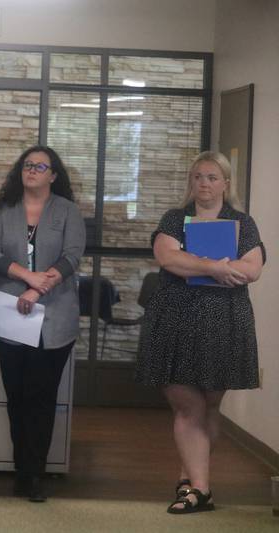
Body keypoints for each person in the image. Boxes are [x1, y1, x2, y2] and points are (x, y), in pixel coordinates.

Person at [135, 151, 265, 514]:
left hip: (224, 321)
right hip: (176, 320)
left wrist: (204, 267)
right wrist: (216, 268)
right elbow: (169, 258)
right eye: (197, 177)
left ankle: (190, 479)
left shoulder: (242, 222)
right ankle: (202, 491)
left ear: (226, 183)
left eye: (211, 177)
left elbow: (252, 268)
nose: (203, 184)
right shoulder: (175, 218)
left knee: (208, 405)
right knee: (186, 403)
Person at [0, 145, 85, 502]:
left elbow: (72, 255)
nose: (33, 171)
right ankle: (21, 469)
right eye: (28, 165)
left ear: (53, 175)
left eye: (41, 166)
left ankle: (36, 472)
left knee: (42, 396)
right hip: (11, 310)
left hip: (55, 313)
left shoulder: (67, 210)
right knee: (17, 395)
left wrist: (40, 288)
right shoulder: (0, 210)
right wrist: (29, 278)